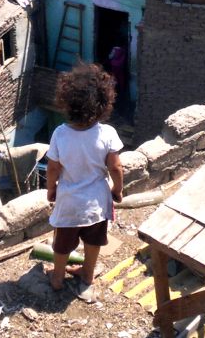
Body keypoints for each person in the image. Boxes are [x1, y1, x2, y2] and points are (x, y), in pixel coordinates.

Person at [45, 62, 124, 294]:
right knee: (93, 242)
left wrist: (51, 189)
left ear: (67, 103)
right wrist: (117, 189)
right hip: (97, 204)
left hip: (69, 202)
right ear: (104, 103)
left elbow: (52, 168)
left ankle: (57, 277)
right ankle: (87, 275)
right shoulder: (107, 134)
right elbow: (116, 167)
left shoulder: (60, 134)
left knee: (62, 244)